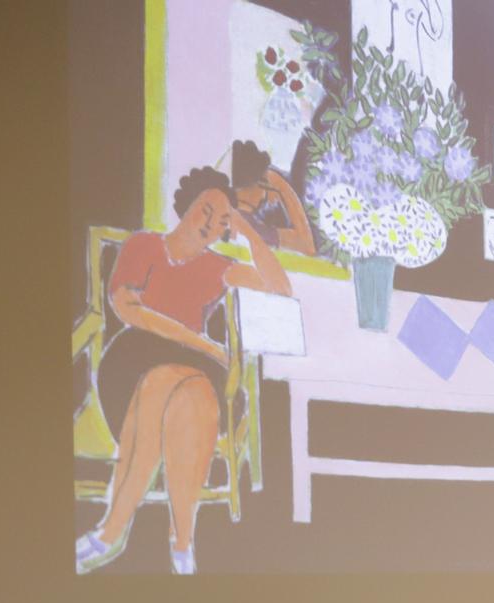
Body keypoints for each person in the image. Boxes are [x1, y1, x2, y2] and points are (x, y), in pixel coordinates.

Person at [76, 164, 292, 576]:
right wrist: (205, 345)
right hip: (133, 362)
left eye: (223, 221)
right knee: (161, 381)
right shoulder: (144, 245)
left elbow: (280, 288)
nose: (211, 224)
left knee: (192, 396)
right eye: (207, 209)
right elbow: (129, 309)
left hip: (192, 373)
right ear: (188, 205)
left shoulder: (217, 268)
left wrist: (246, 228)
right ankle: (152, 540)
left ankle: (147, 537)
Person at [230, 139, 316, 255]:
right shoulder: (254, 229)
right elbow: (307, 245)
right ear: (262, 182)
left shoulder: (232, 216)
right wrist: (282, 188)